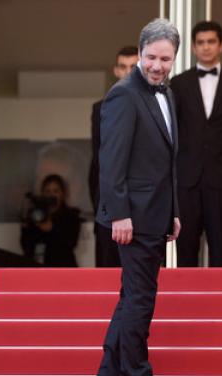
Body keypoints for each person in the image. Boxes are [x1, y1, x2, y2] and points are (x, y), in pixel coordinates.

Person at [91, 19, 183, 376]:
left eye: (165, 59)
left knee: (132, 298)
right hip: (134, 217)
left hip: (155, 214)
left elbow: (166, 161)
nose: (158, 66)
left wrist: (173, 211)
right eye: (151, 58)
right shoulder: (124, 95)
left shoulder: (167, 93)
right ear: (140, 54)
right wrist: (120, 214)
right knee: (140, 300)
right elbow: (111, 161)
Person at [170, 21, 222, 268]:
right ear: (193, 48)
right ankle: (183, 304)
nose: (206, 47)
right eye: (200, 42)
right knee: (185, 249)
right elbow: (172, 134)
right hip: (186, 180)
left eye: (211, 42)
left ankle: (221, 305)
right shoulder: (178, 83)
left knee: (221, 248)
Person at [90, 46, 139, 267]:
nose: (128, 72)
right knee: (108, 266)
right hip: (108, 199)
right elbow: (99, 158)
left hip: (144, 199)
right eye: (123, 67)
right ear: (115, 70)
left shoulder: (157, 103)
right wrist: (99, 201)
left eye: (133, 66)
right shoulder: (100, 108)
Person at [20, 174, 82, 267]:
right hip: (37, 269)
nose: (51, 195)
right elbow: (26, 246)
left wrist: (51, 229)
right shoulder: (36, 214)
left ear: (62, 194)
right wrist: (25, 224)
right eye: (48, 191)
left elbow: (70, 244)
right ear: (42, 193)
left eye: (56, 191)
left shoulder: (71, 216)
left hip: (63, 268)